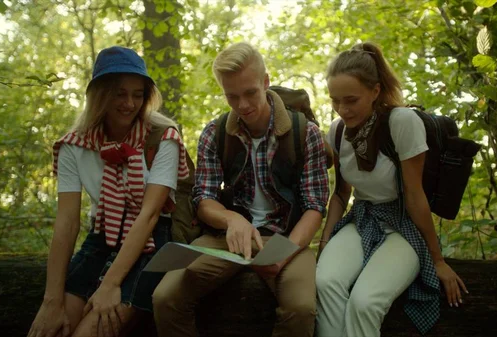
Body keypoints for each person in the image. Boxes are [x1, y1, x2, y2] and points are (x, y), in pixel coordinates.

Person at [152, 42, 330, 337]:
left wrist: (282, 256)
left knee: (301, 310)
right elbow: (204, 199)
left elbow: (314, 207)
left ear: (265, 82)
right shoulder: (215, 132)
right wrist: (232, 220)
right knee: (165, 297)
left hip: (286, 237)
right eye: (231, 96)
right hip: (227, 238)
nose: (243, 105)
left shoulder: (305, 133)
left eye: (250, 93)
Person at [27, 46, 189, 337]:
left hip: (150, 243)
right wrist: (50, 301)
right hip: (100, 239)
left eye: (138, 94)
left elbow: (150, 215)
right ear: (100, 94)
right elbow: (67, 222)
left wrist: (110, 284)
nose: (129, 103)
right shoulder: (73, 146)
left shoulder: (163, 138)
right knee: (52, 328)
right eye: (119, 93)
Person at [315, 42, 468, 336]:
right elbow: (340, 195)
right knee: (325, 283)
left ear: (374, 91)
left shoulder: (402, 122)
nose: (342, 109)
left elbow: (414, 194)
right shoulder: (337, 130)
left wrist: (438, 260)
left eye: (351, 100)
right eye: (335, 101)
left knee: (364, 302)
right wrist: (325, 243)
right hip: (361, 219)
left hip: (403, 225)